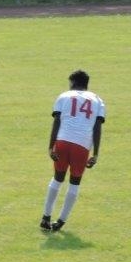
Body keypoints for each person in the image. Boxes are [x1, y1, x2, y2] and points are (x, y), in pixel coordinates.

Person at [40, 69, 106, 232]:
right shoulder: (97, 100)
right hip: (82, 146)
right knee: (74, 182)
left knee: (57, 178)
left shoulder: (64, 96)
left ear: (73, 83)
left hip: (62, 141)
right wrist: (95, 153)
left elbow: (57, 121)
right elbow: (97, 128)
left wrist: (51, 146)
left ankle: (46, 217)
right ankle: (61, 221)